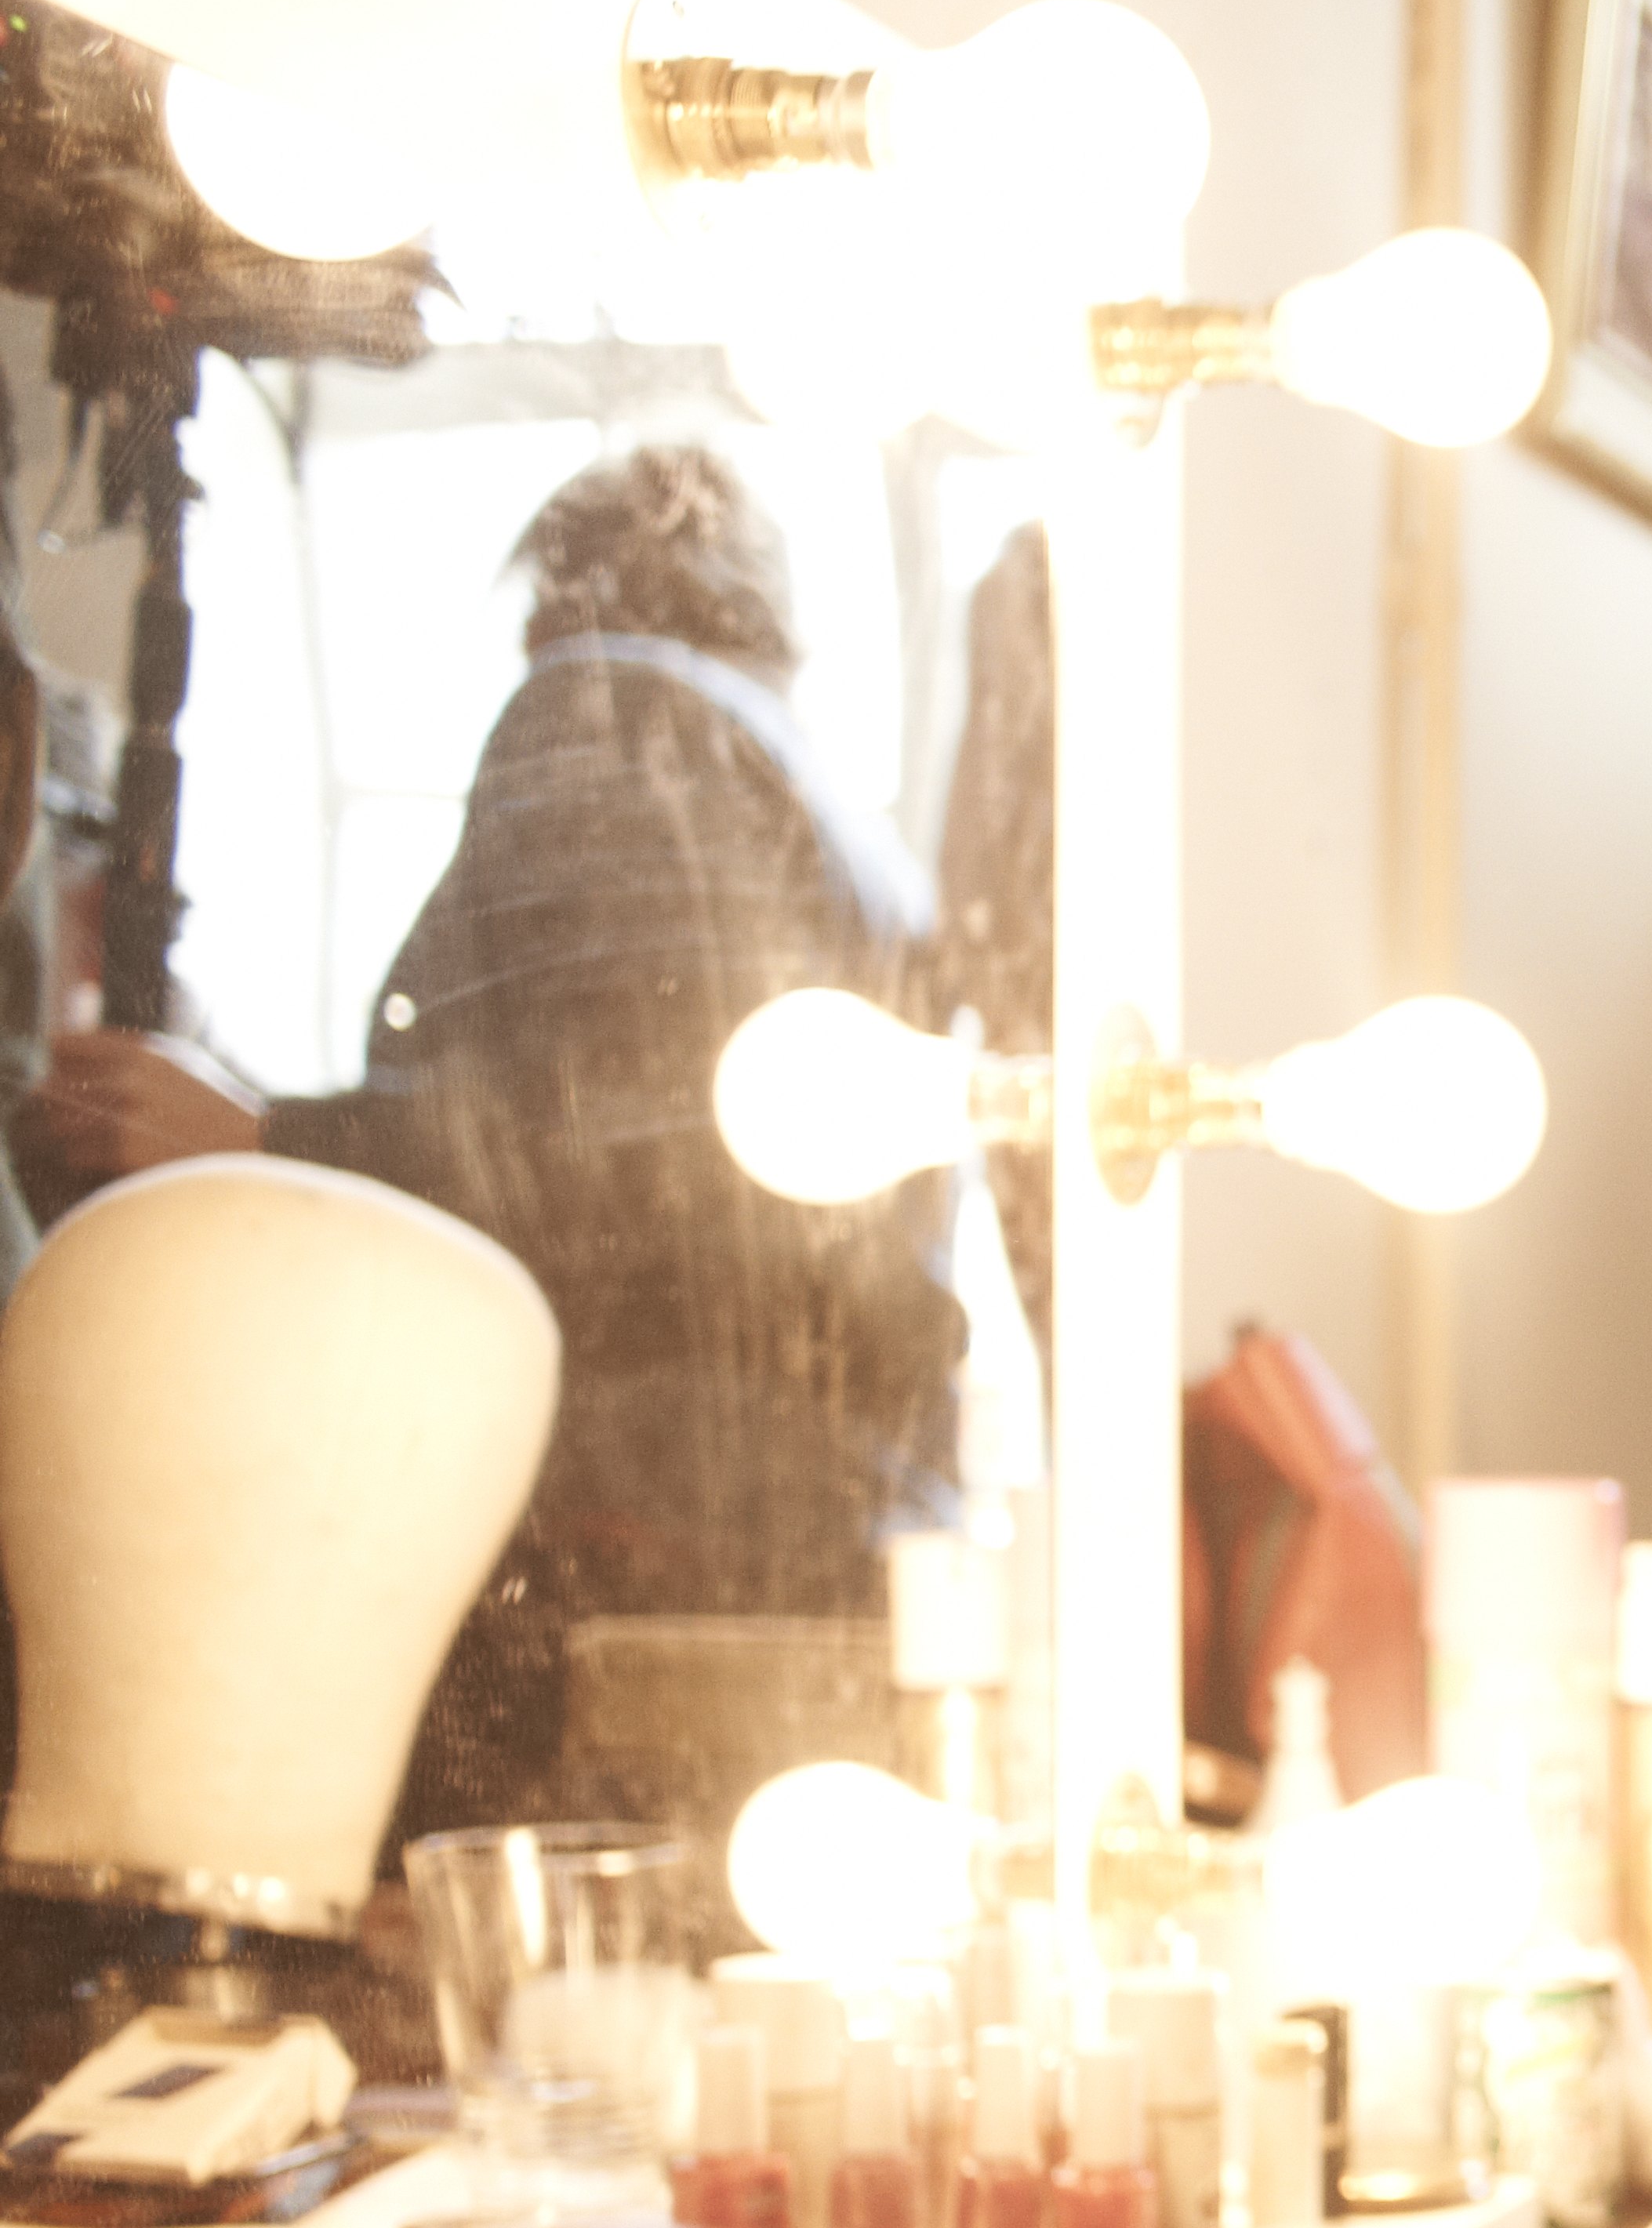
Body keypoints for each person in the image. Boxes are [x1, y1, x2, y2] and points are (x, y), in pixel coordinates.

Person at [26, 442, 961, 1818]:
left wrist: (262, 1140)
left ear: (560, 593)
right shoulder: (836, 829)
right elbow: (648, 1120)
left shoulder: (620, 712)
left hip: (625, 1532)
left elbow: (597, 1155)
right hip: (830, 1549)